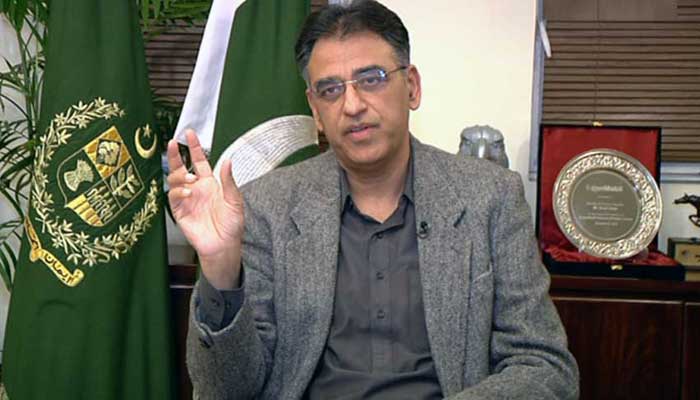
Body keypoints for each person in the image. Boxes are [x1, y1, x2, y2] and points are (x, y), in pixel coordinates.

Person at [167, 1, 579, 399]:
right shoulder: (266, 208)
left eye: (372, 78)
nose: (352, 105)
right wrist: (221, 269)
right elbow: (226, 389)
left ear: (411, 87)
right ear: (315, 109)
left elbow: (544, 367)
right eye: (330, 89)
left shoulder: (490, 198)